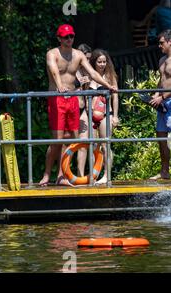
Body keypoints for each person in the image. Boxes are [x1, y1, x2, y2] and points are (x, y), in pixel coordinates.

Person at [39, 24, 116, 187]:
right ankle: (47, 174)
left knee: (74, 139)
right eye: (66, 37)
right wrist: (59, 84)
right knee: (57, 139)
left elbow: (92, 73)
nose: (69, 40)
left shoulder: (78, 54)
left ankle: (62, 175)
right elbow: (53, 70)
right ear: (59, 38)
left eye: (71, 36)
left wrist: (107, 85)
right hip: (57, 97)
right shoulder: (52, 53)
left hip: (72, 98)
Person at [144, 30, 171, 183]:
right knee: (161, 136)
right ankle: (164, 171)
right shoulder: (162, 60)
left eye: (161, 42)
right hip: (161, 102)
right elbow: (162, 81)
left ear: (170, 42)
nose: (159, 45)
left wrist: (162, 97)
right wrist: (155, 94)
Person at [88, 49, 120, 185]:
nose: (102, 64)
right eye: (99, 62)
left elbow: (115, 96)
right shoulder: (89, 76)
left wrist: (115, 116)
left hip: (106, 113)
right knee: (92, 145)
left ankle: (107, 175)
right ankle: (92, 174)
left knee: (105, 144)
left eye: (104, 62)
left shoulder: (110, 76)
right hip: (90, 113)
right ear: (94, 62)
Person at [76, 43, 92, 177]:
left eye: (89, 59)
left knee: (84, 142)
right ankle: (62, 174)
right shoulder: (71, 68)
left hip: (82, 109)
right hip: (71, 108)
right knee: (66, 142)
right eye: (86, 58)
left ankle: (80, 175)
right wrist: (79, 82)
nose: (87, 61)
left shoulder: (86, 71)